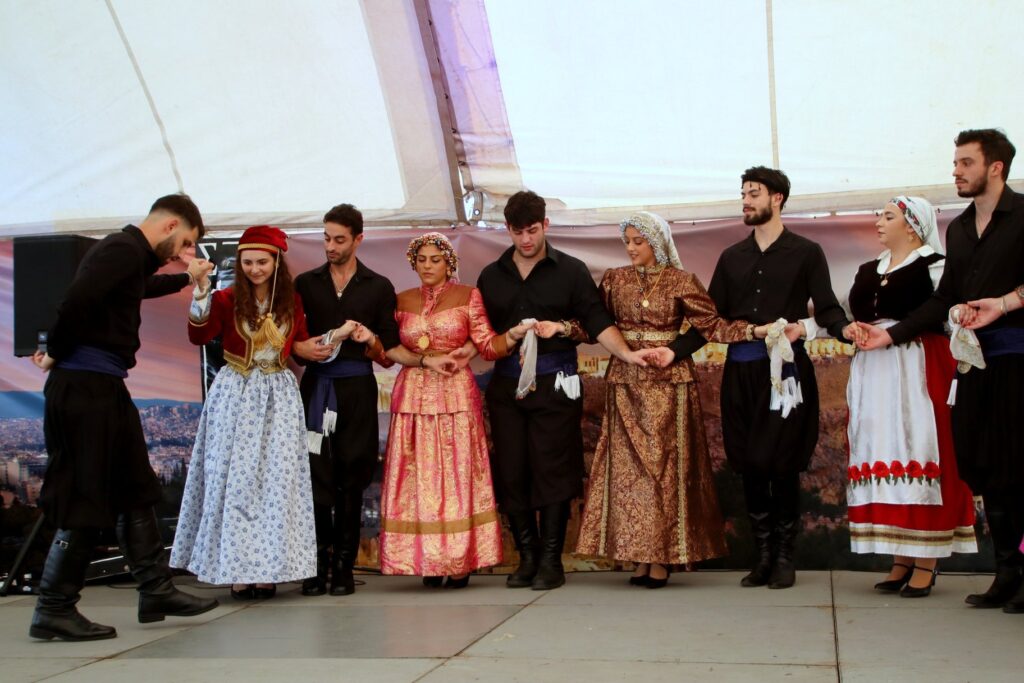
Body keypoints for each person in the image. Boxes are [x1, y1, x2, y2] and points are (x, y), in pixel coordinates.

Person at [28, 194, 219, 641]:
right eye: (185, 243)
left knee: (135, 486)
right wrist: (55, 351)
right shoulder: (120, 249)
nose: (182, 253)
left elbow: (139, 288)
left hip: (104, 386)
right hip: (83, 387)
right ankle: (53, 607)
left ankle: (155, 589)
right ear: (171, 225)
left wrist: (184, 278)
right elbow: (77, 299)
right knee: (82, 492)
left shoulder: (130, 258)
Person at [859, 129, 1024, 612]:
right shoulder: (959, 228)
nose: (956, 171)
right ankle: (1006, 574)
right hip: (973, 362)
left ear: (995, 167)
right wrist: (896, 331)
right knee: (985, 466)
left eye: (965, 163)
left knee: (1018, 467)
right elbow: (944, 296)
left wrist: (1007, 302)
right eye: (956, 162)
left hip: (1016, 355)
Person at [576, 211, 766, 588]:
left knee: (665, 470)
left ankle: (663, 556)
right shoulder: (614, 280)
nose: (631, 248)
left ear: (657, 242)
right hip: (626, 383)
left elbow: (711, 325)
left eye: (638, 241)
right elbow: (592, 322)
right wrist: (559, 327)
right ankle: (638, 556)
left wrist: (757, 330)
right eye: (627, 241)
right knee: (630, 476)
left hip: (670, 386)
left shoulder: (682, 281)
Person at [477, 190, 650, 591]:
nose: (525, 240)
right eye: (518, 232)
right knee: (513, 470)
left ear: (545, 226)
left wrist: (626, 354)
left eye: (532, 230)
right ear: (507, 230)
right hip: (506, 386)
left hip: (556, 384)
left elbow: (595, 321)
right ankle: (527, 557)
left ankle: (552, 559)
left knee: (553, 469)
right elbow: (481, 335)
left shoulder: (570, 270)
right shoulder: (491, 275)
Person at [355, 233, 530, 587]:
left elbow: (486, 345)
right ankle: (426, 561)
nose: (428, 266)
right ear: (413, 263)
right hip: (413, 398)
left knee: (458, 475)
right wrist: (369, 341)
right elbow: (388, 353)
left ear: (449, 262)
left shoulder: (469, 296)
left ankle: (459, 560)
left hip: (455, 396)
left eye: (436, 259)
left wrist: (511, 337)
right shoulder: (400, 300)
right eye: (422, 260)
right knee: (416, 478)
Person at [707, 166, 851, 590]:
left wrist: (846, 330)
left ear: (778, 199)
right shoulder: (731, 257)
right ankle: (763, 556)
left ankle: (786, 555)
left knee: (782, 463)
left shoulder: (806, 252)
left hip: (786, 372)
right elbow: (711, 318)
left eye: (754, 194)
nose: (746, 201)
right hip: (742, 371)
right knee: (751, 464)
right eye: (743, 194)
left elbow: (825, 308)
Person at [170, 226, 318, 600]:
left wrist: (319, 345)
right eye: (248, 262)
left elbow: (296, 343)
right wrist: (201, 291)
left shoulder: (292, 303)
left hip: (279, 396)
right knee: (233, 480)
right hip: (236, 392)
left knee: (275, 483)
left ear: (276, 261)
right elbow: (198, 336)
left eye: (262, 261)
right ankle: (237, 569)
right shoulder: (226, 298)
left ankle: (268, 570)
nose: (255, 269)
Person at [843, 197, 976, 597]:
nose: (878, 222)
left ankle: (927, 557)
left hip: (918, 366)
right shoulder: (869, 270)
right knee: (881, 449)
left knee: (922, 446)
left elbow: (945, 313)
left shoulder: (934, 265)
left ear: (913, 225)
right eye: (879, 215)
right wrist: (854, 330)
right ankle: (900, 554)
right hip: (875, 372)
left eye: (888, 216)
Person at [294, 203, 400, 596]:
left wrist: (369, 340)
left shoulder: (378, 286)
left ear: (358, 239)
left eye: (339, 239)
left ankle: (343, 566)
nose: (331, 246)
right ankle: (315, 564)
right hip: (317, 388)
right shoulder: (305, 284)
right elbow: (289, 337)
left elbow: (388, 352)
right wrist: (301, 350)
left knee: (352, 478)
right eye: (326, 238)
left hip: (357, 389)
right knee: (314, 474)